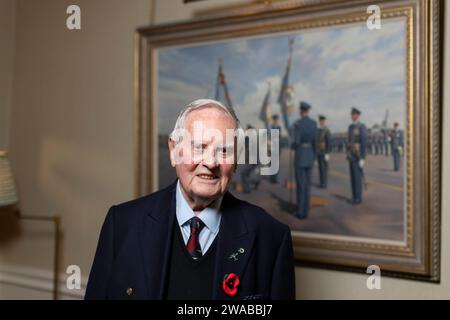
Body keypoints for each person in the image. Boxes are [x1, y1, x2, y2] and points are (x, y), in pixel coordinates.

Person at [85, 99, 295, 300]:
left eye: (224, 150)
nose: (211, 163)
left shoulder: (272, 237)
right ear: (174, 150)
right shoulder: (122, 223)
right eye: (199, 147)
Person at [291, 101, 317, 219]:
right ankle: (306, 211)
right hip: (310, 156)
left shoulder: (298, 123)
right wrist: (314, 157)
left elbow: (295, 141)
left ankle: (301, 212)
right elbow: (315, 142)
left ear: (301, 111)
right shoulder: (313, 123)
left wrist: (293, 146)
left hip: (300, 156)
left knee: (301, 185)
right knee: (307, 186)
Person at [347, 107, 367, 205]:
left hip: (358, 156)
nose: (352, 116)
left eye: (354, 114)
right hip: (351, 155)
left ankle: (358, 198)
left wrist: (363, 158)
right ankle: (354, 196)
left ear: (358, 116)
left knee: (357, 177)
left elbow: (363, 143)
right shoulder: (350, 127)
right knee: (352, 177)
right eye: (352, 114)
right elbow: (349, 141)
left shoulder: (361, 126)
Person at [317, 115, 331, 188]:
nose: (321, 122)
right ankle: (321, 182)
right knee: (320, 168)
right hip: (319, 152)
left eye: (322, 121)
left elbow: (329, 142)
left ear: (324, 121)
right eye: (320, 121)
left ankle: (324, 183)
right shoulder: (318, 130)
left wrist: (327, 153)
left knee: (324, 168)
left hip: (324, 152)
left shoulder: (326, 130)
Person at [268, 114, 282, 184]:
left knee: (276, 164)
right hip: (272, 147)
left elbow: (279, 137)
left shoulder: (279, 127)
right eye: (275, 119)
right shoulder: (271, 127)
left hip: (277, 147)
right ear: (273, 120)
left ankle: (275, 178)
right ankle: (271, 177)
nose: (276, 121)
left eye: (276, 119)